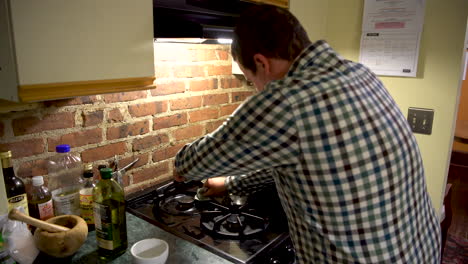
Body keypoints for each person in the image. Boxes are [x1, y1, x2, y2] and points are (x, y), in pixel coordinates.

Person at [173, 5, 441, 264]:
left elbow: (191, 164)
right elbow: (307, 158)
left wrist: (180, 168)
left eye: (249, 79)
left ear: (260, 62)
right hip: (420, 249)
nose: (255, 88)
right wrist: (231, 184)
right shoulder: (359, 73)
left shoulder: (286, 100)